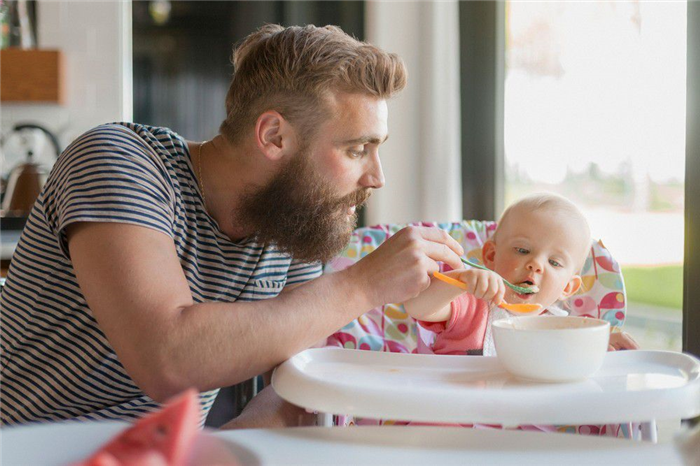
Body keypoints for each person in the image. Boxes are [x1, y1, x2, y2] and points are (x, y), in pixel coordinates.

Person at [0, 24, 467, 426]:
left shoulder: (292, 216)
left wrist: (222, 450)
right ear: (274, 136)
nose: (377, 177)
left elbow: (298, 379)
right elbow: (169, 358)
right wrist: (362, 286)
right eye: (355, 149)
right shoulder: (117, 161)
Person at [404, 193, 639, 357]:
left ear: (568, 288)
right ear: (491, 256)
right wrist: (461, 281)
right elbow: (417, 307)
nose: (535, 265)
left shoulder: (563, 330)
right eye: (523, 250)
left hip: (519, 422)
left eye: (554, 262)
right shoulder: (471, 304)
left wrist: (597, 344)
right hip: (452, 412)